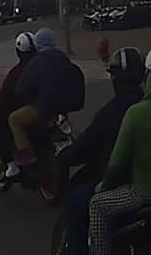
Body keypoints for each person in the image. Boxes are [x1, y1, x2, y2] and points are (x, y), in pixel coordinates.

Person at [58, 47, 144, 255]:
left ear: (115, 79)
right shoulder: (142, 105)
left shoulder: (115, 113)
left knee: (77, 201)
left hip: (128, 186)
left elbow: (90, 150)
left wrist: (64, 156)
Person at [89, 51, 151, 255]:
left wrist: (102, 187)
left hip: (143, 192)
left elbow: (117, 163)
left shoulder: (137, 113)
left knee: (97, 205)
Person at [10, 27, 76, 176]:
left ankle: (28, 156)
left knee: (14, 119)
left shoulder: (37, 62)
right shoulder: (63, 58)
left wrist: (24, 94)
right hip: (63, 107)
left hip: (45, 107)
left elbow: (23, 87)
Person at [0, 32, 38, 172]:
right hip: (45, 106)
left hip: (31, 110)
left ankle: (13, 165)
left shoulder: (16, 73)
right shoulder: (42, 65)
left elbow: (6, 94)